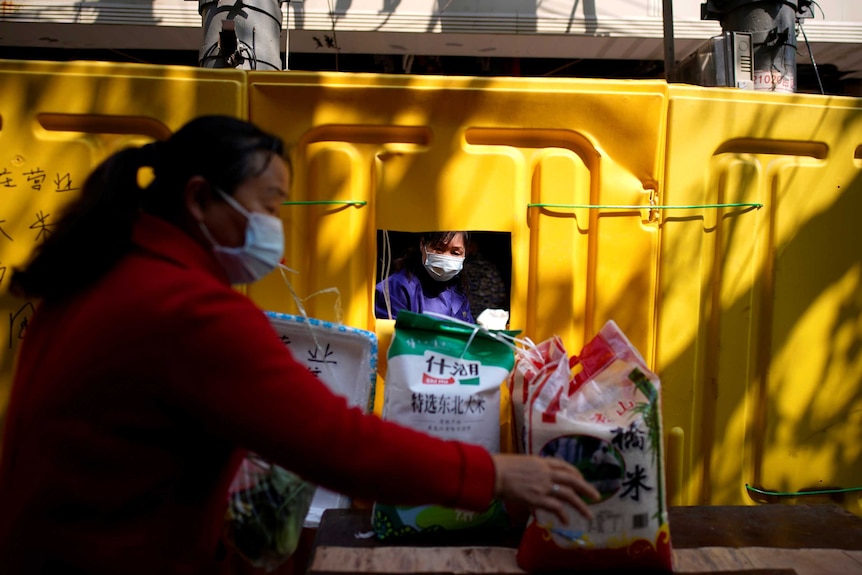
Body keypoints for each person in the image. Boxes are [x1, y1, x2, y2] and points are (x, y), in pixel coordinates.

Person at [0, 116, 599, 575]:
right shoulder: (185, 308)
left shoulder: (98, 276)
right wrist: (494, 473)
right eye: (267, 207)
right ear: (200, 200)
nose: (276, 229)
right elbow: (337, 442)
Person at [375, 231, 473, 322]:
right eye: (439, 249)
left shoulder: (458, 290)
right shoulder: (396, 289)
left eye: (455, 253)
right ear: (422, 244)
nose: (446, 257)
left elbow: (469, 333)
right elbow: (392, 335)